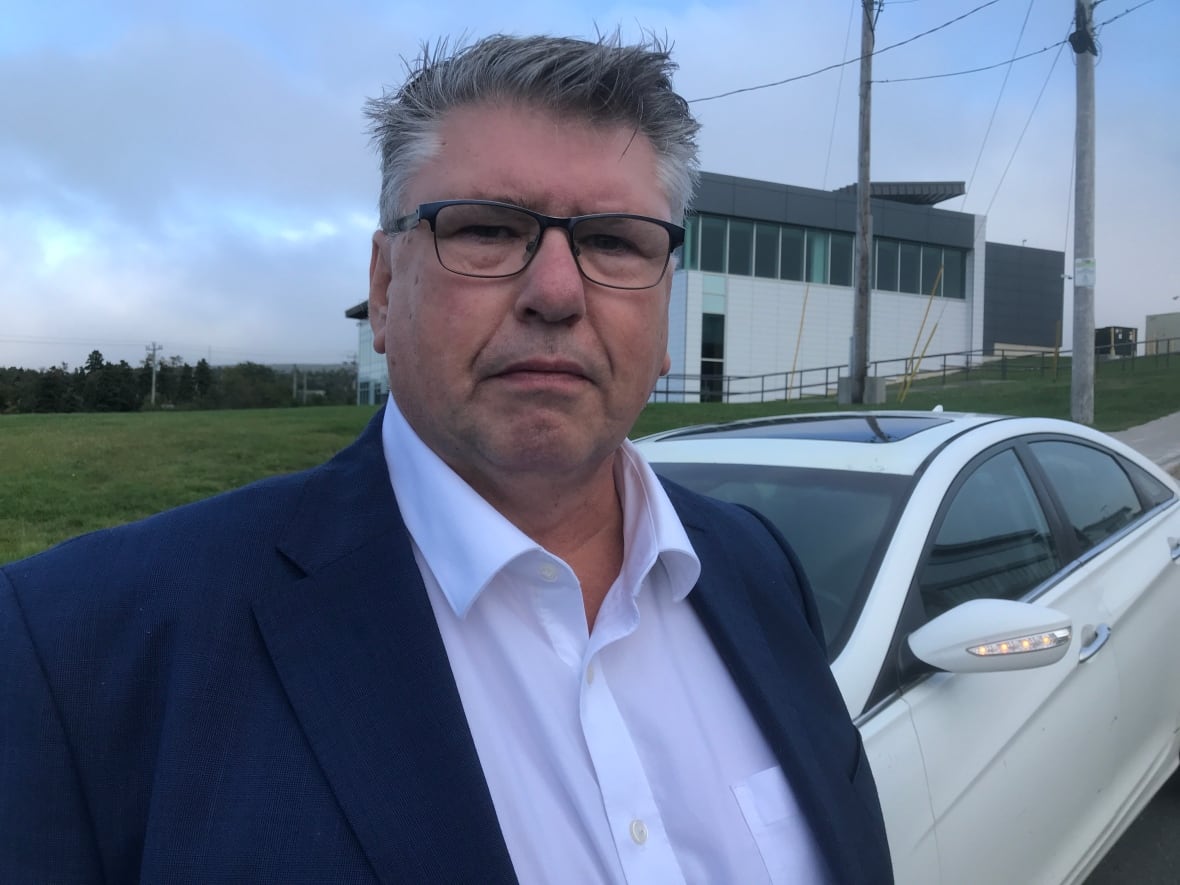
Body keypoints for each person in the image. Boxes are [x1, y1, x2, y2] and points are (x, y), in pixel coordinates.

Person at [0, 33, 891, 884]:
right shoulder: (78, 650)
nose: (555, 292)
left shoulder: (758, 570)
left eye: (615, 242)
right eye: (486, 231)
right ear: (385, 292)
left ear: (665, 309)